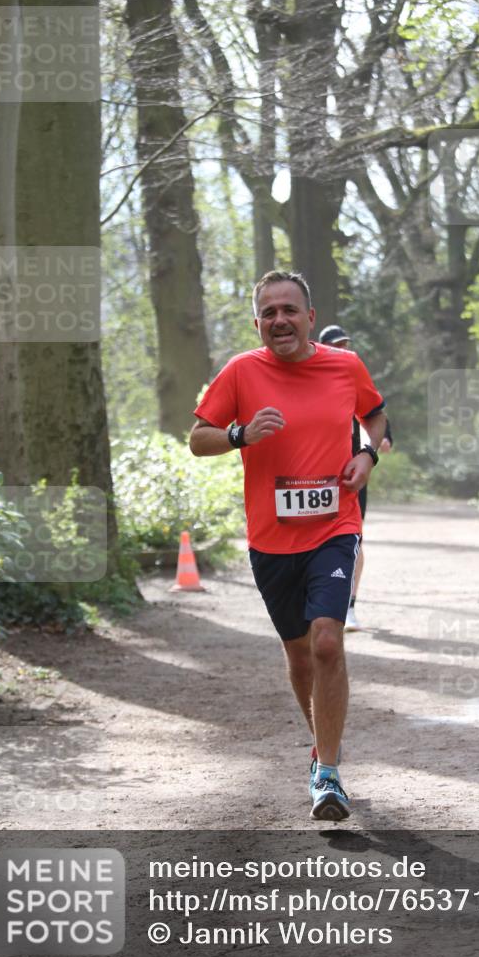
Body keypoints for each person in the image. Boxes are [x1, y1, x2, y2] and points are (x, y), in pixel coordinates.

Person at [190, 271, 387, 821]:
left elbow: (374, 415)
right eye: (269, 312)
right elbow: (198, 438)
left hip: (335, 526)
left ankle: (327, 774)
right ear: (258, 324)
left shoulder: (344, 366)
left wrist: (367, 456)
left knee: (327, 642)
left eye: (289, 310)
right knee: (300, 654)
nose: (280, 319)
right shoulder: (240, 372)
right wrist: (239, 435)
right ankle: (323, 743)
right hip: (271, 540)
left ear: (310, 318)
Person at [318, 325, 393, 632]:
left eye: (347, 344)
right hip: (308, 479)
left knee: (352, 542)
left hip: (350, 479)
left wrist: (371, 447)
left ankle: (348, 607)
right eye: (337, 345)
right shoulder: (305, 382)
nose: (344, 349)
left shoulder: (354, 378)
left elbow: (380, 427)